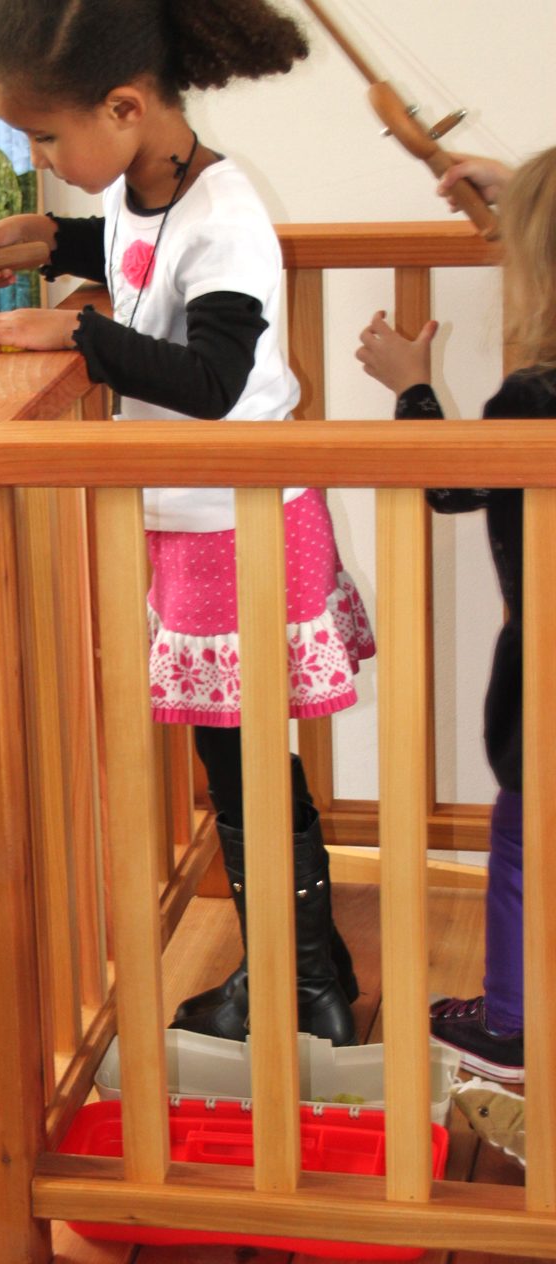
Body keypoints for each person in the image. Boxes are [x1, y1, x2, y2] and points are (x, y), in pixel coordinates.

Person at [0, 0, 375, 1046]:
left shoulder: (226, 211)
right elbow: (143, 249)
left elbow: (212, 376)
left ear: (124, 106)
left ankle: (299, 979)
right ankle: (306, 967)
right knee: (233, 766)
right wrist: (54, 236)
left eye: (50, 138)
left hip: (237, 525)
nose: (45, 155)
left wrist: (81, 334)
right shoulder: (157, 189)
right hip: (201, 526)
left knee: (240, 768)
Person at [355, 146, 556, 1084]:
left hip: (548, 689)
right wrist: (518, 184)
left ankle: (512, 1026)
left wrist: (412, 385)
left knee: (521, 845)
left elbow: (447, 484)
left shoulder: (534, 402)